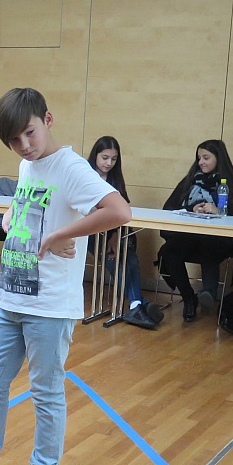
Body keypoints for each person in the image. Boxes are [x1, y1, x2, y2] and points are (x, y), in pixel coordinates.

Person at [0, 88, 131, 465]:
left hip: (50, 306)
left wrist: (63, 236)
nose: (24, 145)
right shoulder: (28, 166)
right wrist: (11, 218)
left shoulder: (72, 167)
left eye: (30, 133)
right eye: (14, 141)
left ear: (48, 119)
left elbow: (119, 211)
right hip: (12, 295)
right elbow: (36, 212)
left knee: (45, 391)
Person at [158, 139, 233, 321]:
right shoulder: (190, 180)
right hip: (189, 236)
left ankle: (209, 293)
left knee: (209, 244)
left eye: (206, 158)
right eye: (199, 158)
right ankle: (189, 298)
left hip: (221, 240)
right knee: (170, 250)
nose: (201, 162)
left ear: (219, 159)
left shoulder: (230, 183)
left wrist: (219, 210)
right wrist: (192, 209)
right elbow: (169, 208)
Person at [86, 136, 164, 329]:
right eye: (105, 158)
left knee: (131, 260)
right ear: (95, 155)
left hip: (116, 230)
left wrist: (115, 236)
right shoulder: (85, 175)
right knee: (117, 265)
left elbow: (123, 209)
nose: (109, 163)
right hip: (93, 232)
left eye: (113, 159)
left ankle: (136, 305)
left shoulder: (115, 178)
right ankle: (140, 304)